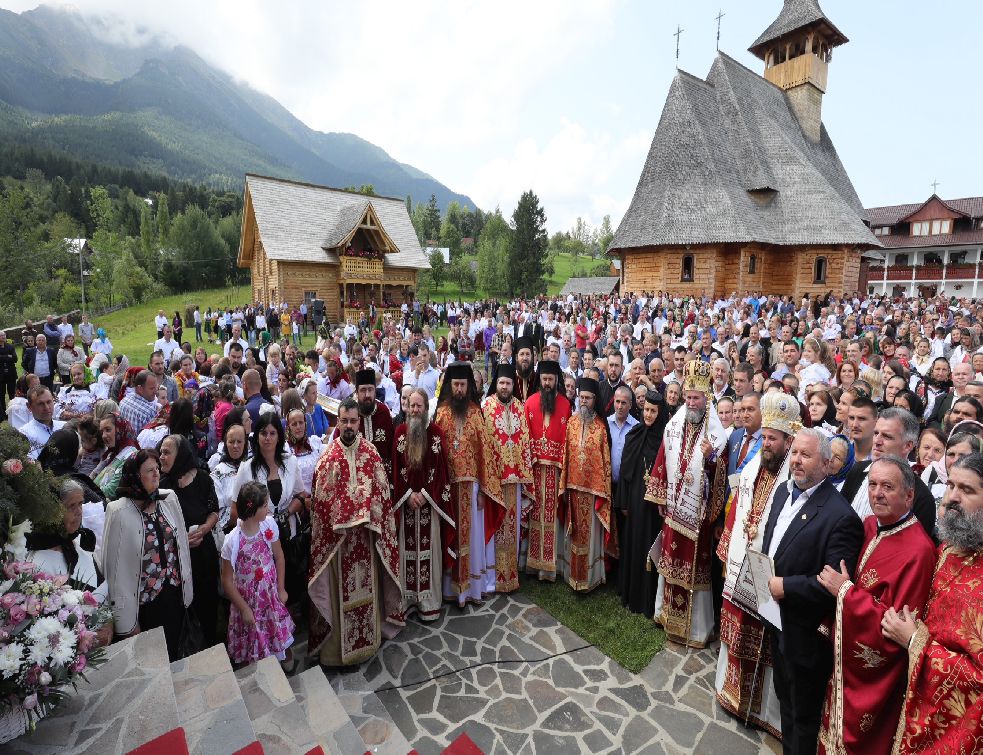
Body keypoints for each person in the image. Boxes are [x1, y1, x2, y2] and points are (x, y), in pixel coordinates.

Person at [816, 456, 935, 755]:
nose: (877, 493)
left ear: (909, 495)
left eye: (887, 486)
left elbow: (896, 627)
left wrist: (844, 592)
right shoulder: (870, 525)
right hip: (843, 662)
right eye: (872, 485)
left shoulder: (920, 551)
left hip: (873, 679)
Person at [761, 429, 864, 755]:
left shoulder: (841, 517)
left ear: (827, 464)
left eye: (805, 455)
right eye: (794, 453)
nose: (796, 460)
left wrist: (786, 587)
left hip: (805, 634)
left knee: (803, 715)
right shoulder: (783, 492)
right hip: (776, 620)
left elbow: (833, 584)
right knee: (785, 700)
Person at [882, 452, 983, 753]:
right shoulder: (947, 549)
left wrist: (915, 643)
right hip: (909, 705)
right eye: (951, 485)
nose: (952, 498)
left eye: (967, 490)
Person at [715, 390, 800, 737]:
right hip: (742, 562)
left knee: (764, 641)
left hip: (769, 572)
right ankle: (731, 693)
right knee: (737, 632)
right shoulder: (754, 467)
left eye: (773, 439)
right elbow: (737, 506)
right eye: (764, 437)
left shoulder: (794, 477)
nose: (766, 444)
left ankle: (760, 710)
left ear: (788, 440)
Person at [308, 397, 401, 665]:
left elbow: (382, 495)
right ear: (338, 422)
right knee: (341, 594)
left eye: (353, 421)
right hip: (340, 544)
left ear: (359, 422)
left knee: (367, 590)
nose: (348, 426)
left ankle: (369, 644)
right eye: (344, 421)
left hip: (366, 540)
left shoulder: (371, 454)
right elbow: (321, 504)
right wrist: (344, 520)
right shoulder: (328, 458)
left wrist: (368, 517)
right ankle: (337, 654)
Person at [646, 360, 728, 647]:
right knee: (670, 562)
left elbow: (721, 476)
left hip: (697, 516)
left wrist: (711, 458)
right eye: (689, 397)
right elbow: (662, 457)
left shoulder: (716, 434)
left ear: (706, 398)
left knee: (695, 567)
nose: (692, 403)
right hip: (672, 509)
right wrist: (660, 496)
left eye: (697, 398)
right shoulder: (674, 424)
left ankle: (695, 630)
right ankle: (667, 616)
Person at [102, 449, 194, 661]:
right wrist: (125, 621)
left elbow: (181, 544)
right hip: (144, 603)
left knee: (175, 654)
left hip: (174, 594)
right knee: (152, 660)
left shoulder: (168, 498)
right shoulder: (118, 511)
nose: (156, 474)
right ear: (135, 475)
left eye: (157, 469)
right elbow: (113, 570)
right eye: (149, 470)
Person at [433, 362, 504, 606]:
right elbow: (436, 453)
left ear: (468, 386)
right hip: (449, 490)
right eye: (456, 385)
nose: (459, 390)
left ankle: (472, 589)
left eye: (463, 385)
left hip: (472, 489)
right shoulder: (442, 413)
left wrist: (483, 490)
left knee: (471, 539)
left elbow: (485, 454)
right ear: (450, 386)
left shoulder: (475, 413)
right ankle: (450, 589)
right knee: (450, 536)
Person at [390, 388, 453, 624]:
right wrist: (408, 495)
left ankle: (429, 604)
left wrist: (425, 495)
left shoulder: (436, 434)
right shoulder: (400, 433)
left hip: (430, 506)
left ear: (426, 408)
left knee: (429, 554)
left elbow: (441, 471)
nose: (415, 410)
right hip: (406, 505)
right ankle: (408, 601)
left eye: (419, 406)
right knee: (406, 554)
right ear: (406, 407)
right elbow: (395, 469)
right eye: (411, 405)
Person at [26, 479, 112, 647]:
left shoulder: (79, 543)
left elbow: (102, 595)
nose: (79, 511)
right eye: (71, 506)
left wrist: (108, 626)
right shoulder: (37, 563)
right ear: (51, 512)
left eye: (80, 504)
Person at [222, 480, 295, 666]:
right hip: (249, 601)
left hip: (270, 595)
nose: (268, 508)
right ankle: (259, 666)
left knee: (275, 627)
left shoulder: (268, 525)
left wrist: (281, 588)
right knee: (253, 634)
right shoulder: (232, 541)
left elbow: (279, 557)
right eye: (264, 505)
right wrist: (244, 608)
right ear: (252, 509)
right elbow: (227, 581)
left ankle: (283, 654)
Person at [159, 434, 220, 646]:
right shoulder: (163, 486)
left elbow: (214, 511)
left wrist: (204, 529)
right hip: (177, 559)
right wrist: (180, 540)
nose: (161, 457)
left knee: (208, 604)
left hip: (204, 554)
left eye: (167, 452)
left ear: (181, 455)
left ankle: (211, 645)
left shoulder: (202, 479)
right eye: (161, 452)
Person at [840, 408, 937, 536]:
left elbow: (916, 545)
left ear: (908, 446)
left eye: (887, 436)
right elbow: (839, 519)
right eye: (876, 433)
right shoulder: (857, 471)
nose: (877, 441)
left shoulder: (922, 498)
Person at [481, 363, 534, 593]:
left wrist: (524, 477)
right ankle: (492, 578)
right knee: (495, 527)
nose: (504, 386)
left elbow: (525, 444)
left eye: (508, 383)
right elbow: (484, 445)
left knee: (511, 531)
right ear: (496, 383)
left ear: (513, 385)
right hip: (494, 483)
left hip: (514, 484)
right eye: (501, 383)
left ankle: (510, 576)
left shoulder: (520, 408)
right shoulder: (487, 406)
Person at [616, 389, 668, 616]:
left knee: (650, 548)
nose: (648, 415)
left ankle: (647, 600)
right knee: (634, 544)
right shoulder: (634, 434)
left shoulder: (665, 440)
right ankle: (631, 594)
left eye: (653, 411)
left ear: (660, 413)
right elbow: (625, 472)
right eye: (646, 410)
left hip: (654, 507)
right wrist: (624, 502)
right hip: (635, 502)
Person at [524, 360, 572, 581]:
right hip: (534, 470)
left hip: (555, 471)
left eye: (550, 380)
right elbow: (525, 436)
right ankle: (532, 564)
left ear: (556, 380)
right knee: (534, 513)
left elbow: (567, 439)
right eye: (544, 379)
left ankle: (550, 567)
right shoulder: (530, 403)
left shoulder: (565, 405)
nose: (547, 383)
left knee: (552, 517)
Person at [211, 422, 248, 544]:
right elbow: (219, 511)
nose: (235, 446)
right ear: (225, 444)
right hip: (231, 536)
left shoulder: (252, 467)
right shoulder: (218, 473)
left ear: (245, 443)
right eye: (231, 442)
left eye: (239, 441)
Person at [19, 385, 66, 459]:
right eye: (40, 404)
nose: (47, 407)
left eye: (49, 402)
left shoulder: (65, 427)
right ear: (29, 406)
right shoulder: (25, 434)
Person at [285, 408, 323, 495]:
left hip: (317, 496)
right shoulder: (285, 450)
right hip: (296, 499)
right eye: (294, 424)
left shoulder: (315, 444)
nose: (298, 427)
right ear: (288, 427)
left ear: (305, 424)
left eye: (301, 422)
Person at [513, 337, 539, 403]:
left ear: (532, 357)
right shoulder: (510, 379)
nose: (525, 358)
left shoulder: (538, 379)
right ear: (516, 357)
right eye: (522, 354)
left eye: (527, 354)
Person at [0, 331, 17, 422]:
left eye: (4, 335)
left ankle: (13, 412)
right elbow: (10, 357)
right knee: (1, 395)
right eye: (1, 335)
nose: (3, 336)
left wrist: (2, 357)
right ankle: (3, 414)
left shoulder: (10, 346)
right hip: (1, 375)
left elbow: (15, 359)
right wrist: (7, 356)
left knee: (12, 394)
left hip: (11, 374)